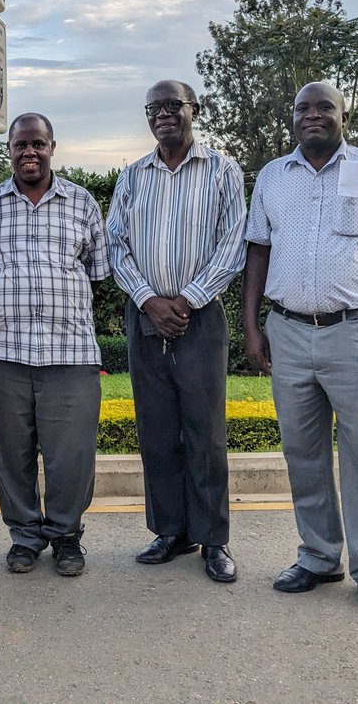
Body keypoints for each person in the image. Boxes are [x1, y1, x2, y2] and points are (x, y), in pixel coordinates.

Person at [242, 81, 358, 622]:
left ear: (345, 115)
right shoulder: (273, 176)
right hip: (288, 333)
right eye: (303, 108)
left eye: (325, 107)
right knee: (304, 454)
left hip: (357, 334)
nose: (312, 115)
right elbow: (257, 254)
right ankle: (319, 557)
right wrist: (251, 328)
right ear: (292, 117)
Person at [107, 79, 246, 584]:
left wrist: (186, 299)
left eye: (173, 105)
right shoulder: (133, 175)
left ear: (194, 110)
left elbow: (233, 245)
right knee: (157, 429)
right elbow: (115, 246)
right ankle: (170, 531)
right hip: (144, 318)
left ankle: (213, 539)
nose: (163, 114)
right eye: (154, 108)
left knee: (205, 432)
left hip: (200, 317)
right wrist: (147, 299)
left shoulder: (223, 171)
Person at [0, 113, 109, 577]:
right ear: (8, 150)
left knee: (71, 455)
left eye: (38, 144)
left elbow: (98, 270)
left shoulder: (82, 202)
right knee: (11, 454)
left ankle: (67, 536)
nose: (29, 152)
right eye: (20, 145)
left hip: (69, 354)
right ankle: (25, 537)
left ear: (53, 147)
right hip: (2, 353)